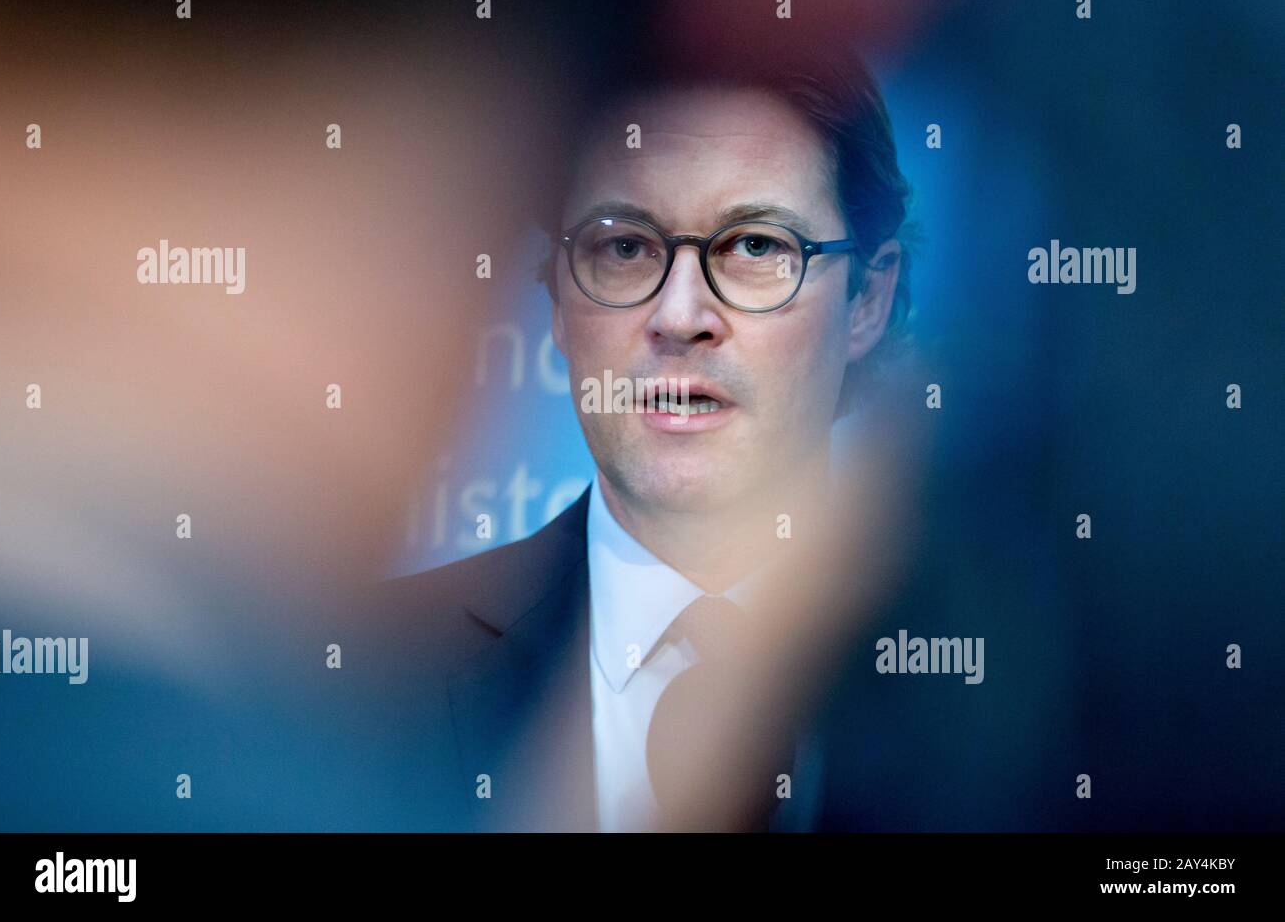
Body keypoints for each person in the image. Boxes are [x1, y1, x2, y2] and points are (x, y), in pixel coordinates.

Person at [368, 53, 1033, 832]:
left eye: (755, 247)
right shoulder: (369, 680)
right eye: (625, 249)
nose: (680, 315)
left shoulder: (1028, 682)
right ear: (554, 298)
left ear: (868, 300)